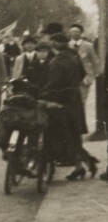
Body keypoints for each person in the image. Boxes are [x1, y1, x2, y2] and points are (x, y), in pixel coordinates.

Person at [41, 32, 99, 180]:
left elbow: (53, 83)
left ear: (55, 44)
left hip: (61, 101)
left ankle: (83, 164)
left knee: (63, 135)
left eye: (52, 42)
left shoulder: (57, 61)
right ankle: (83, 165)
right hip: (74, 99)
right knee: (73, 135)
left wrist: (43, 95)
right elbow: (81, 74)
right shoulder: (74, 56)